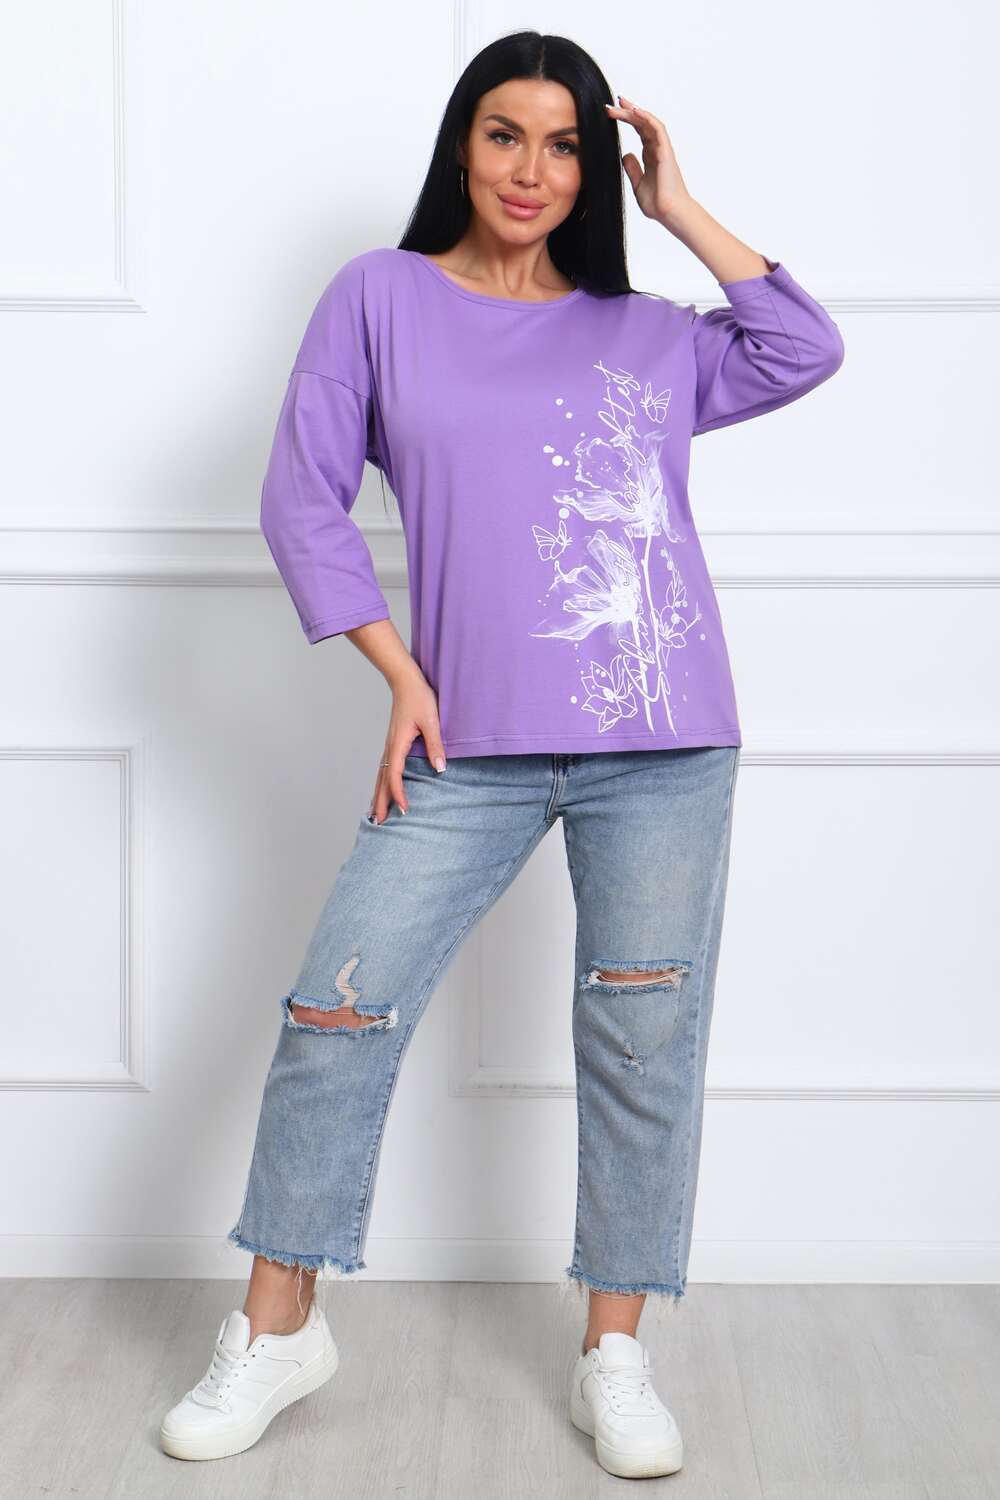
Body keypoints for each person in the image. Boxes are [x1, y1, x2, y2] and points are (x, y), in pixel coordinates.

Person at [159, 30, 844, 1480]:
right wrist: (397, 669)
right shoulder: (381, 297)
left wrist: (677, 209)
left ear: (597, 168)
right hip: (462, 738)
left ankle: (616, 1353)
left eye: (565, 144)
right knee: (337, 1012)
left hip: (662, 738)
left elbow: (804, 346)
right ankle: (279, 1327)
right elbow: (301, 499)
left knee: (641, 1042)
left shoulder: (648, 331)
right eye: (504, 134)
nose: (532, 169)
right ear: (460, 146)